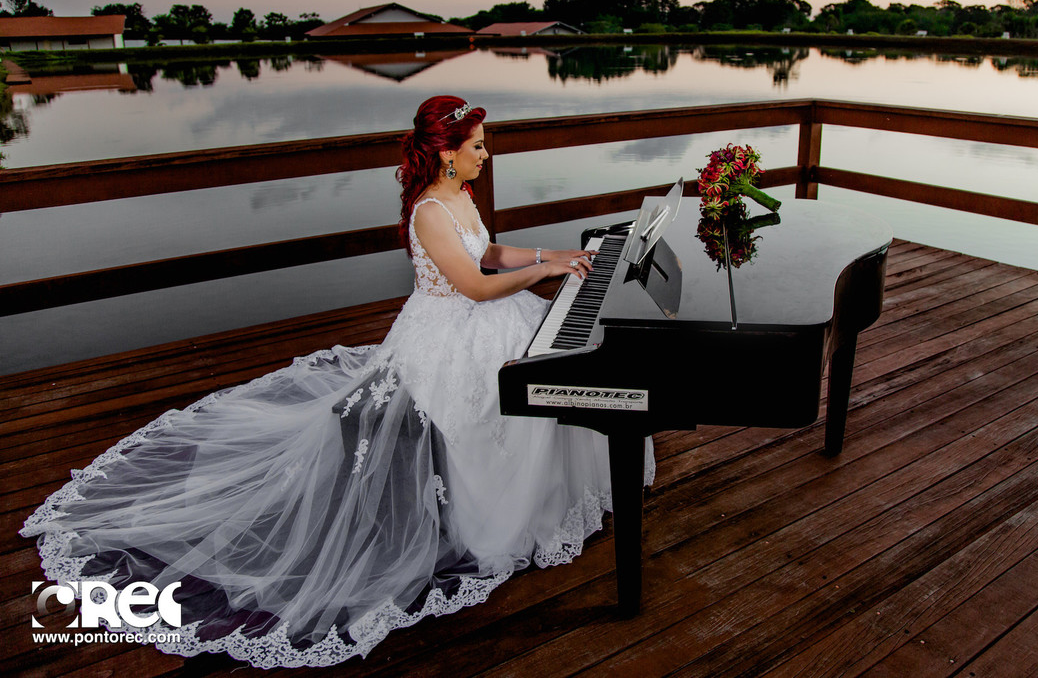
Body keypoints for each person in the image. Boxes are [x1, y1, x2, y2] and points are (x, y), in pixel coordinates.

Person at [21, 95, 655, 668]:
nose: (486, 154)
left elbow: (487, 253)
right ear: (446, 152)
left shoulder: (460, 194)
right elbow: (474, 286)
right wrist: (548, 275)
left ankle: (543, 497)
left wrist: (553, 256)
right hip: (451, 328)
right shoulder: (433, 209)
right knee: (507, 391)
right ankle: (492, 519)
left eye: (485, 145)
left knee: (558, 363)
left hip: (484, 315)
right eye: (478, 145)